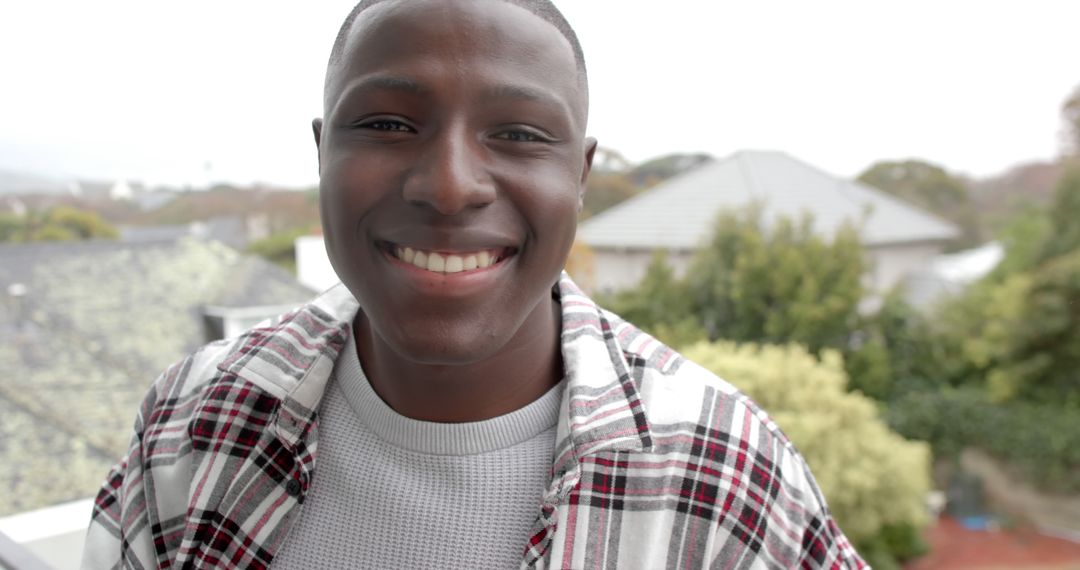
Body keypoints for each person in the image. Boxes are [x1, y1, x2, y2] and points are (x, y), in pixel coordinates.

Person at [82, 1, 867, 568]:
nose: (450, 187)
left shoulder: (723, 471)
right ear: (323, 154)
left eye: (520, 135)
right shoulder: (194, 418)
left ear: (581, 175)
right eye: (388, 123)